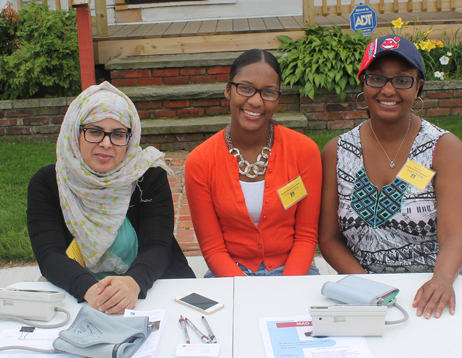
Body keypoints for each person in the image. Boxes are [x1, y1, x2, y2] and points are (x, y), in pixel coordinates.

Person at [319, 35, 462, 334]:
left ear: (418, 87)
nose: (388, 90)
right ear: (363, 83)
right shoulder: (337, 152)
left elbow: (456, 233)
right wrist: (367, 289)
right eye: (377, 78)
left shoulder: (443, 148)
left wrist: (440, 280)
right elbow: (329, 238)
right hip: (375, 285)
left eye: (402, 80)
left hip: (450, 276)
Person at [27, 81, 195, 314]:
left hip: (152, 291)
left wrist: (133, 282)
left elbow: (157, 247)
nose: (106, 143)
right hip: (79, 298)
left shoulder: (148, 176)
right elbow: (50, 255)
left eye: (118, 134)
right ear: (75, 131)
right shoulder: (48, 184)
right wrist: (91, 291)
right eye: (94, 131)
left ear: (131, 137)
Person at [185, 49, 322, 277]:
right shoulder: (200, 161)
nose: (256, 101)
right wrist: (248, 293)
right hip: (230, 272)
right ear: (228, 91)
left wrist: (285, 288)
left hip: (294, 270)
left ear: (278, 98)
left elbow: (306, 235)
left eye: (268, 92)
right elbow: (213, 248)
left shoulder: (303, 151)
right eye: (246, 88)